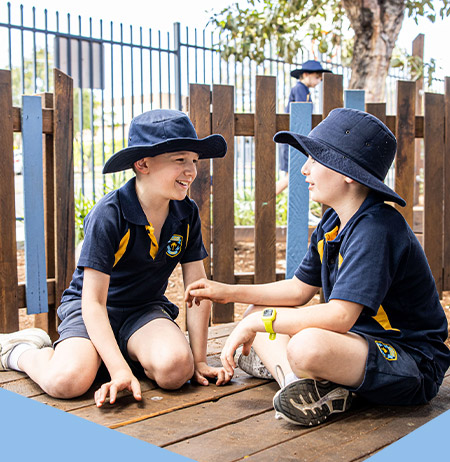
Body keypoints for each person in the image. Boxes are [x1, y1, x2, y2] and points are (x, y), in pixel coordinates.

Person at [185, 107, 450, 427]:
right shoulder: (332, 223)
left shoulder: (377, 228)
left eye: (315, 159)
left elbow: (339, 316)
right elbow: (298, 289)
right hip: (358, 344)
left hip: (410, 362)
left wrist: (260, 326)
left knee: (304, 345)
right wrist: (227, 292)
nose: (304, 170)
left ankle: (303, 376)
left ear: (346, 171)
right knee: (257, 313)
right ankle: (300, 388)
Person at [0, 109, 230, 406]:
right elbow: (92, 302)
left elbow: (198, 290)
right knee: (67, 381)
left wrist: (199, 360)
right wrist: (119, 370)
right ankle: (21, 351)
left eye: (194, 161)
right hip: (94, 310)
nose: (192, 171)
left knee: (176, 370)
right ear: (143, 163)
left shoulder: (186, 214)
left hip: (143, 310)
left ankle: (118, 355)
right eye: (180, 160)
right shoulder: (110, 214)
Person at [276, 59, 332, 195]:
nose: (319, 81)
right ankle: (264, 198)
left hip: (294, 137)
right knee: (291, 176)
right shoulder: (300, 89)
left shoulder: (303, 89)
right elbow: (302, 114)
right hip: (294, 139)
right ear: (306, 74)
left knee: (292, 176)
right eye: (317, 77)